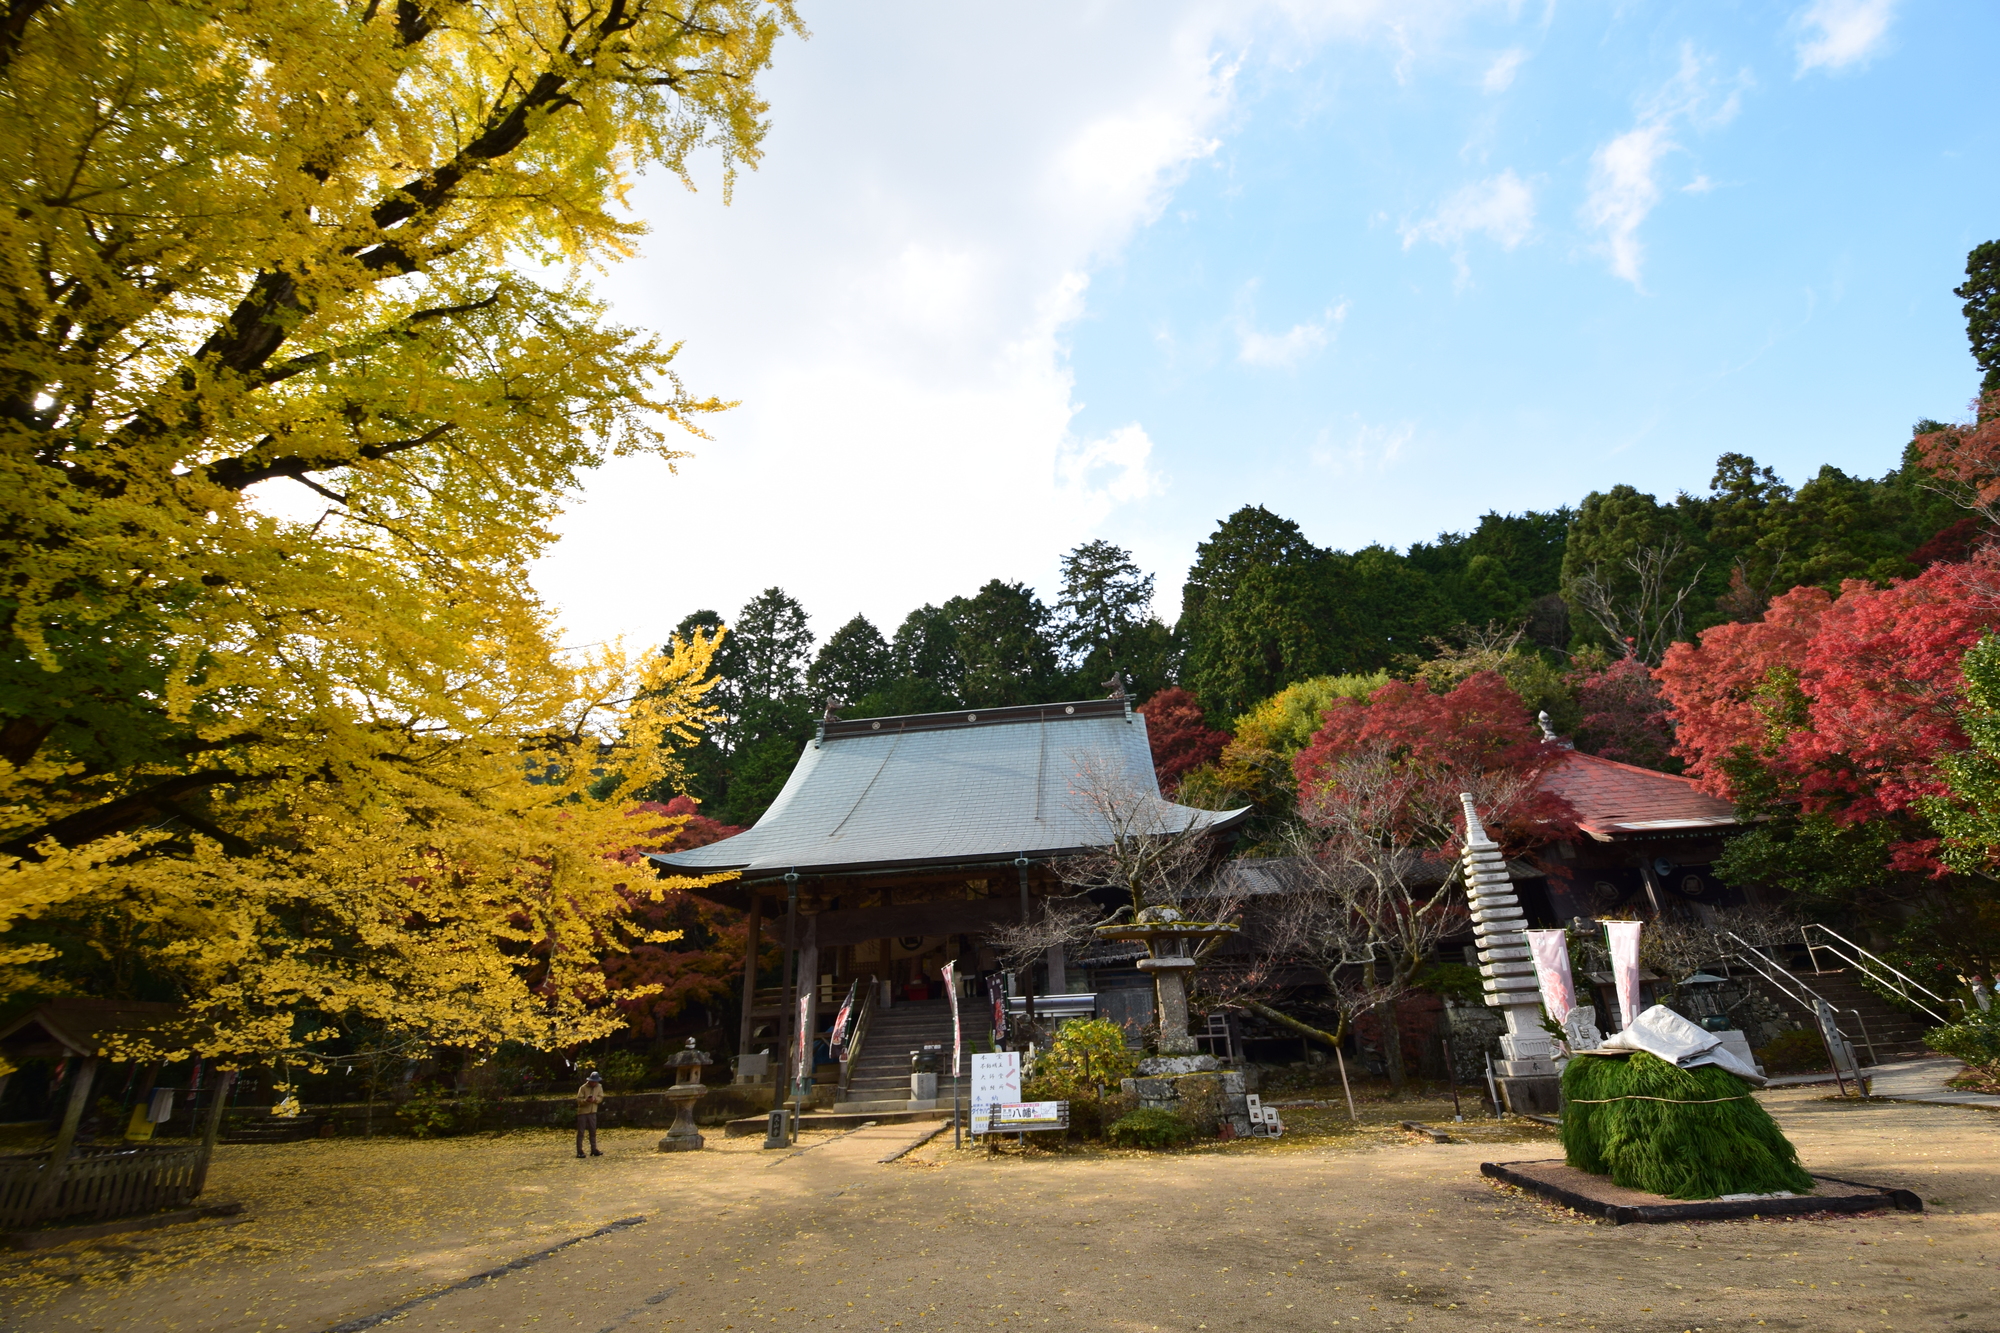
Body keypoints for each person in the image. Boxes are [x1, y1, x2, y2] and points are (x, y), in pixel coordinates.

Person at [575, 1070, 604, 1157]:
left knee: (593, 1131)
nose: (594, 1083)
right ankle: (579, 1151)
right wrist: (586, 1100)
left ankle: (594, 1149)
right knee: (581, 1132)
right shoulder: (583, 1088)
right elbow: (578, 1100)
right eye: (593, 1081)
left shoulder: (599, 1087)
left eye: (595, 1082)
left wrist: (595, 1099)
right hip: (583, 1112)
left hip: (593, 1112)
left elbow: (601, 1097)